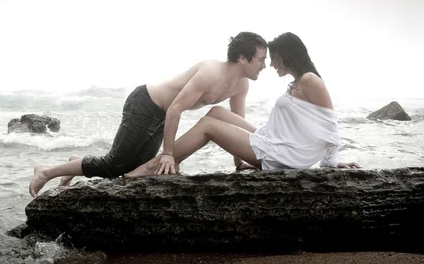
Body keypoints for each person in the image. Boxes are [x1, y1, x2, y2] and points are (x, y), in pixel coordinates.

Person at [28, 31, 268, 197]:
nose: (264, 65)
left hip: (162, 116)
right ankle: (47, 171)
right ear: (242, 57)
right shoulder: (210, 72)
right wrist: (169, 154)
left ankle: (76, 162)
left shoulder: (241, 85)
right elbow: (176, 108)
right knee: (115, 165)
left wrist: (241, 163)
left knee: (133, 170)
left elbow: (238, 125)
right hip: (145, 103)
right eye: (261, 59)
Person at [126, 32, 359, 177]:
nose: (269, 64)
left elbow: (330, 124)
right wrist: (241, 161)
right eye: (264, 59)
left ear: (286, 56)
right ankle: (232, 161)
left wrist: (331, 162)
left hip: (282, 154)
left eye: (273, 58)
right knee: (216, 111)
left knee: (208, 125)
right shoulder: (300, 81)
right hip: (275, 142)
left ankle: (157, 164)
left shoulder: (310, 80)